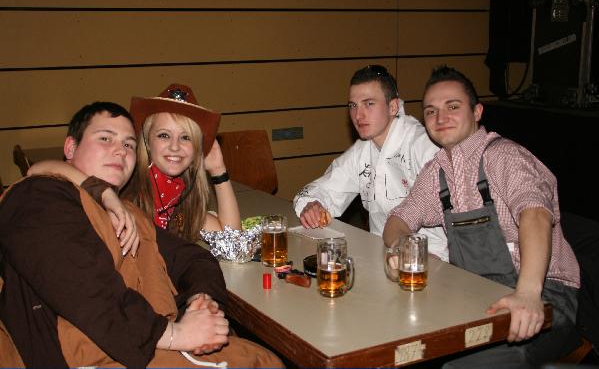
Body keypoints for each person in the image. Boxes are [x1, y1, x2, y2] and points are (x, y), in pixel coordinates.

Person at [0, 101, 283, 368]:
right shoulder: (41, 197)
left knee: (260, 357)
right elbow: (91, 298)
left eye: (128, 144)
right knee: (261, 361)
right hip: (87, 356)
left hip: (142, 339)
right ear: (71, 148)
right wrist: (176, 334)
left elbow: (193, 258)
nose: (120, 151)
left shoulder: (128, 212)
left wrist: (202, 300)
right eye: (105, 138)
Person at [383, 66, 581, 368]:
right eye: (431, 111)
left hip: (545, 297)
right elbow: (398, 220)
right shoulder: (437, 172)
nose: (440, 117)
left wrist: (528, 294)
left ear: (477, 112)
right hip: (475, 295)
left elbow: (535, 215)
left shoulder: (503, 156)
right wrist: (402, 248)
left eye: (452, 107)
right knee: (404, 340)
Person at [29, 84, 241, 242]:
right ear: (146, 141)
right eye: (164, 135)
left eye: (186, 138)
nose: (175, 147)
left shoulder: (183, 192)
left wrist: (218, 170)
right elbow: (38, 169)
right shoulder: (127, 178)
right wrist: (105, 193)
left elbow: (232, 239)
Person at [293, 65, 447, 258]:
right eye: (353, 106)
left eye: (369, 104)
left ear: (393, 107)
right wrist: (313, 205)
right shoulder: (363, 150)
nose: (358, 115)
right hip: (380, 254)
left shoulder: (422, 145)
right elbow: (324, 188)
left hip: (433, 259)